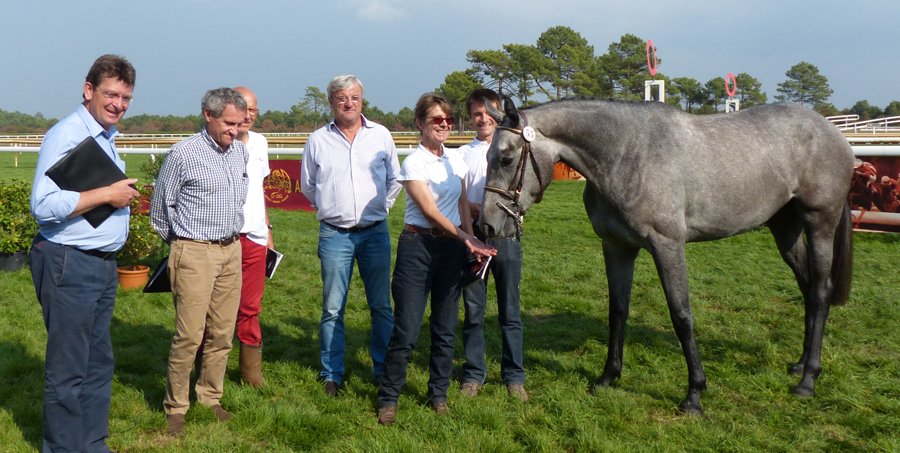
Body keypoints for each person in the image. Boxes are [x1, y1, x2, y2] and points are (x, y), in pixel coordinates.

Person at [29, 54, 139, 453]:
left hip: (100, 264)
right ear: (88, 89)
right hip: (68, 262)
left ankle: (92, 444)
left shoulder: (105, 136)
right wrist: (107, 194)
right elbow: (42, 205)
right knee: (69, 369)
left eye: (125, 98)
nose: (118, 104)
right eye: (111, 94)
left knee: (97, 363)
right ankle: (63, 448)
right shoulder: (67, 135)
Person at [376, 93, 496, 425]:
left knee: (444, 329)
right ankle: (389, 398)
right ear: (420, 123)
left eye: (448, 119)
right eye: (436, 119)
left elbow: (461, 205)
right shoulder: (413, 162)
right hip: (418, 247)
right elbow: (429, 212)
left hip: (452, 251)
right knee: (407, 330)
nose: (444, 125)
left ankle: (438, 395)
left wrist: (469, 238)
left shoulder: (456, 159)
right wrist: (466, 237)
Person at [150, 87, 249, 436]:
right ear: (208, 115)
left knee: (222, 332)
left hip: (231, 249)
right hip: (194, 251)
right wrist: (184, 247)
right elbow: (160, 211)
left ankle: (210, 396)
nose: (235, 130)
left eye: (239, 124)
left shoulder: (240, 152)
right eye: (229, 123)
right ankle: (176, 406)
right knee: (189, 335)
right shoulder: (183, 154)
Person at [301, 74, 401, 396]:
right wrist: (331, 207)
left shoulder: (380, 135)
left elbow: (395, 179)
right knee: (332, 308)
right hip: (335, 235)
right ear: (331, 101)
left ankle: (383, 369)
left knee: (381, 306)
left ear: (362, 100)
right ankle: (331, 373)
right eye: (342, 98)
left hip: (375, 234)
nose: (349, 103)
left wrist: (382, 207)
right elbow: (308, 186)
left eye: (354, 97)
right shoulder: (318, 140)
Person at [458, 88, 528, 401]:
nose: (483, 119)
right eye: (477, 114)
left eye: (488, 113)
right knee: (474, 311)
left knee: (510, 312)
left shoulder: (513, 147)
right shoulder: (462, 154)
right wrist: (473, 218)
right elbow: (458, 197)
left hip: (506, 239)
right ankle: (474, 374)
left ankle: (514, 376)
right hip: (474, 238)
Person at [233, 86, 273, 387]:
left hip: (256, 238)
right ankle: (206, 367)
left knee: (250, 307)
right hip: (224, 238)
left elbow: (259, 191)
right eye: (242, 108)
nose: (248, 115)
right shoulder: (217, 143)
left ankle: (250, 372)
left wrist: (268, 230)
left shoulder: (260, 143)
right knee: (212, 307)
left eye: (253, 110)